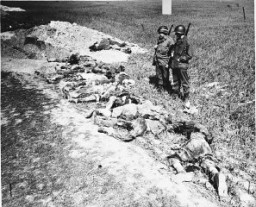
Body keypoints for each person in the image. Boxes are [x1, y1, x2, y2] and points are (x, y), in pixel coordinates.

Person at [169, 25, 193, 108]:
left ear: (181, 34)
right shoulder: (178, 41)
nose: (176, 35)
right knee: (176, 80)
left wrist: (181, 58)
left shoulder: (186, 43)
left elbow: (189, 55)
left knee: (185, 82)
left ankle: (186, 98)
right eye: (176, 34)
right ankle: (176, 93)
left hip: (182, 65)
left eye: (177, 34)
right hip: (175, 64)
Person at [153, 26, 174, 92]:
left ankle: (166, 85)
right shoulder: (159, 39)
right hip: (158, 58)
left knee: (165, 74)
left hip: (165, 60)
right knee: (158, 73)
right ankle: (160, 86)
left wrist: (170, 61)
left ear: (165, 33)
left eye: (161, 33)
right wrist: (156, 47)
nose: (159, 34)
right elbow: (159, 47)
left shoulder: (170, 40)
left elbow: (172, 51)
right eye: (159, 33)